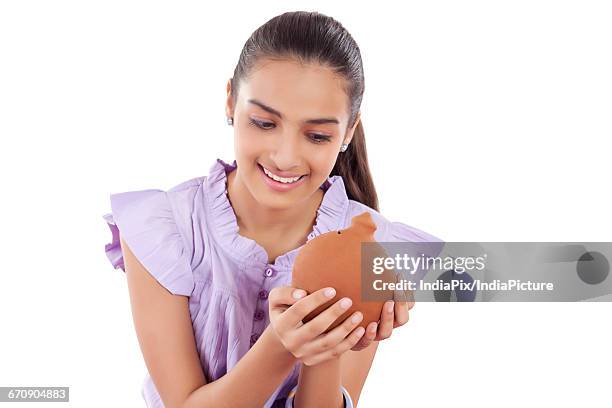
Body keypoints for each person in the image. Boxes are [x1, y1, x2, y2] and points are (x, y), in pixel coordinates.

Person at [102, 11, 441, 408]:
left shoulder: (373, 252)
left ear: (348, 131)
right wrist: (280, 345)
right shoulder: (164, 229)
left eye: (317, 135)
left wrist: (328, 345)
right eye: (264, 123)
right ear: (231, 100)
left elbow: (493, 273)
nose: (285, 157)